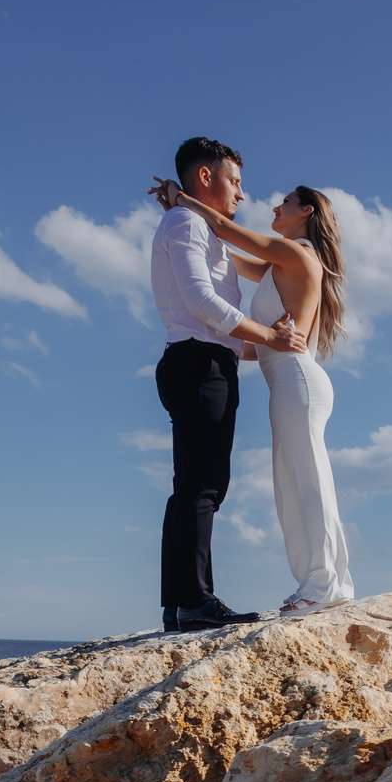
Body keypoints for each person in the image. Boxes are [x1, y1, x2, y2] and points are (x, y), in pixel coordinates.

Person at [154, 176, 354, 615]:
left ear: (307, 212)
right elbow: (225, 253)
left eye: (284, 203)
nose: (273, 209)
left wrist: (179, 198)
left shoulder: (296, 251)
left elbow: (225, 231)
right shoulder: (279, 265)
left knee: (306, 481)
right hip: (287, 382)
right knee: (295, 482)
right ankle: (323, 580)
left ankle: (324, 585)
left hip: (297, 381)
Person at [148, 137, 300, 631]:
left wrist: (257, 347)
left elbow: (229, 295)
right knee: (203, 486)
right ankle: (194, 602)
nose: (242, 193)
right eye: (234, 181)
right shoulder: (187, 223)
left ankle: (181, 603)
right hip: (199, 364)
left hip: (202, 361)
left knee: (194, 486)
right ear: (206, 177)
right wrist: (272, 337)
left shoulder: (196, 224)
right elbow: (202, 303)